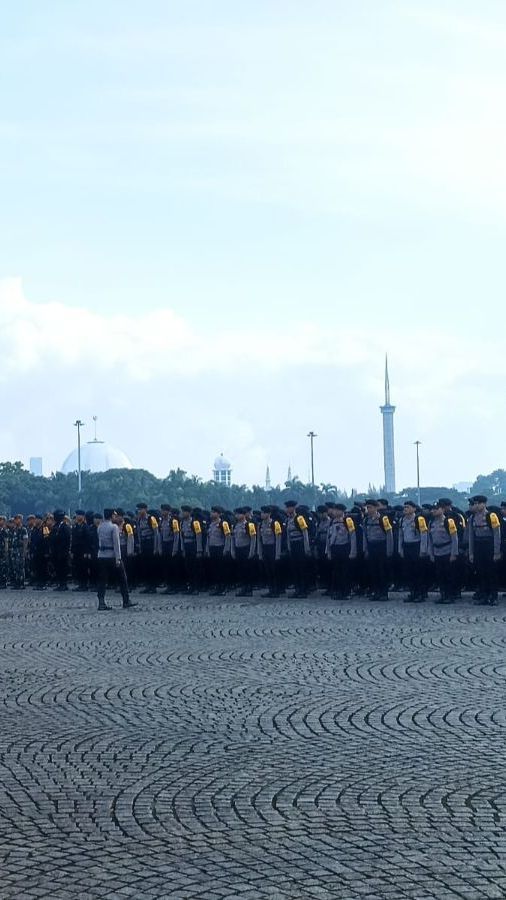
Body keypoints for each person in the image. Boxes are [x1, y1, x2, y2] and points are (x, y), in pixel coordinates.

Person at [96, 508, 134, 611]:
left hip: (102, 555)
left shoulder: (100, 526)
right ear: (112, 516)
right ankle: (126, 601)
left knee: (102, 580)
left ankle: (101, 602)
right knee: (122, 578)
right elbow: (116, 544)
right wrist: (118, 559)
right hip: (112, 556)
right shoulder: (114, 527)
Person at [467, 495, 502, 606]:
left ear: (484, 504)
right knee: (481, 572)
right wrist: (471, 552)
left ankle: (493, 596)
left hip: (489, 545)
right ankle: (484, 596)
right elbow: (471, 537)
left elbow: (497, 535)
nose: (476, 506)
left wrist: (496, 551)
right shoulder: (472, 518)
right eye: (475, 503)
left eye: (478, 503)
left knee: (491, 572)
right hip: (478, 546)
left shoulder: (491, 516)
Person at [362, 499, 394, 601]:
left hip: (382, 546)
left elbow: (389, 534)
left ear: (376, 508)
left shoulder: (383, 519)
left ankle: (384, 593)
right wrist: (365, 549)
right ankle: (376, 592)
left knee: (382, 571)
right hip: (372, 547)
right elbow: (365, 536)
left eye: (370, 507)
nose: (368, 509)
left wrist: (389, 549)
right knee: (373, 571)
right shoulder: (366, 520)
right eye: (367, 507)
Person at [398, 501, 429, 602]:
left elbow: (424, 535)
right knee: (409, 572)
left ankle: (421, 593)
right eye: (404, 507)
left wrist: (423, 549)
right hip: (407, 546)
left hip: (417, 546)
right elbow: (400, 536)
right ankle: (413, 592)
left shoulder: (419, 520)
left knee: (418, 571)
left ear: (414, 509)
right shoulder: (402, 520)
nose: (405, 509)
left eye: (408, 507)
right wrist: (400, 549)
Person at [428, 501, 458, 604]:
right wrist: (431, 553)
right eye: (433, 509)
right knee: (440, 575)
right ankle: (443, 595)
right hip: (437, 552)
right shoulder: (431, 523)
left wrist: (454, 553)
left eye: (436, 509)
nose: (433, 511)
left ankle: (450, 595)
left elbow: (454, 538)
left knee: (448, 575)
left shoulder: (449, 521)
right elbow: (430, 540)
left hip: (447, 551)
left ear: (442, 510)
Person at [326, 503, 357, 600]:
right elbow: (328, 538)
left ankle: (346, 592)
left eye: (336, 510)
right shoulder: (332, 522)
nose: (334, 512)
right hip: (335, 548)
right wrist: (328, 551)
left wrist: (353, 551)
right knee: (336, 572)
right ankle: (338, 591)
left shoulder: (348, 521)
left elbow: (352, 536)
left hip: (345, 548)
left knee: (345, 572)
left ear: (341, 511)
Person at [284, 501, 311, 598]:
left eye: (289, 507)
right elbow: (287, 535)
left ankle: (303, 590)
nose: (287, 509)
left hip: (300, 545)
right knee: (295, 569)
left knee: (301, 568)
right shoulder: (288, 520)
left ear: (293, 508)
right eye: (287, 508)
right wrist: (289, 547)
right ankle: (297, 589)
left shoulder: (299, 519)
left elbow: (305, 533)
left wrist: (306, 547)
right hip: (293, 545)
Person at [257, 506, 282, 598]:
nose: (262, 514)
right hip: (265, 549)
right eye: (261, 513)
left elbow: (278, 539)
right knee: (268, 571)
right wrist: (260, 553)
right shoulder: (260, 525)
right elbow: (259, 540)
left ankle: (276, 590)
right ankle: (271, 590)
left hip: (273, 549)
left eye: (264, 513)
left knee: (274, 571)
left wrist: (278, 553)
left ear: (269, 514)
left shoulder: (275, 524)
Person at [206, 506, 231, 596]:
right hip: (212, 548)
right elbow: (208, 538)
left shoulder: (223, 524)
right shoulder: (210, 524)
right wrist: (207, 549)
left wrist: (226, 549)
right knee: (214, 569)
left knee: (221, 570)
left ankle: (223, 588)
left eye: (214, 512)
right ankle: (217, 587)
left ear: (219, 514)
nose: (211, 513)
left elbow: (228, 537)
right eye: (211, 512)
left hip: (220, 548)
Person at [231, 507, 257, 597]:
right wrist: (232, 551)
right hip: (238, 549)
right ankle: (243, 588)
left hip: (246, 549)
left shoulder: (249, 525)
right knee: (241, 570)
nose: (237, 516)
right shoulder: (234, 525)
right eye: (236, 514)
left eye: (239, 514)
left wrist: (251, 551)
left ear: (244, 515)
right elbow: (233, 539)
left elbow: (253, 539)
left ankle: (248, 589)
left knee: (248, 571)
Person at [135, 502, 160, 593]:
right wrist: (140, 546)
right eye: (138, 509)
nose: (139, 511)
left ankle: (153, 586)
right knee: (145, 566)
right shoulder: (139, 520)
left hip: (151, 542)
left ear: (145, 509)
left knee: (152, 566)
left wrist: (156, 548)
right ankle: (148, 585)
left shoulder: (151, 518)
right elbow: (138, 533)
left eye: (141, 509)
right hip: (144, 543)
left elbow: (156, 533)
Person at [179, 505, 203, 595]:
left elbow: (198, 536)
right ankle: (191, 587)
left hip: (193, 545)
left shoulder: (195, 522)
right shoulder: (182, 523)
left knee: (195, 568)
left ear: (189, 512)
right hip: (186, 545)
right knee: (188, 567)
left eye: (184, 511)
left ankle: (196, 587)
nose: (183, 513)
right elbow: (182, 536)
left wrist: (199, 550)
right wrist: (182, 549)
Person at [159, 504, 180, 594]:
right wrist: (160, 548)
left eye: (164, 510)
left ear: (168, 511)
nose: (162, 512)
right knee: (166, 567)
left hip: (171, 545)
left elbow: (176, 535)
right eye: (162, 510)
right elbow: (160, 535)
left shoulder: (173, 521)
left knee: (173, 567)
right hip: (164, 545)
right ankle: (169, 586)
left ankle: (174, 587)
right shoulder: (161, 521)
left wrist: (175, 549)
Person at [50, 510, 71, 591]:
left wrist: (65, 551)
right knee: (58, 568)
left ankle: (63, 584)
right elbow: (51, 537)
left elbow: (67, 539)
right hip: (55, 552)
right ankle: (60, 583)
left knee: (63, 568)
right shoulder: (55, 526)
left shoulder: (65, 527)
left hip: (63, 552)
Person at [71, 509, 91, 591]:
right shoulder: (75, 526)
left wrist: (87, 552)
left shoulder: (85, 527)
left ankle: (84, 585)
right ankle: (80, 584)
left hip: (83, 551)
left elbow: (88, 540)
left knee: (83, 568)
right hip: (76, 551)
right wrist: (72, 551)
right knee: (78, 568)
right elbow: (73, 540)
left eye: (79, 515)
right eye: (77, 515)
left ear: (83, 516)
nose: (77, 517)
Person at [10, 514, 28, 589]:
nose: (15, 520)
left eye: (17, 519)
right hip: (15, 551)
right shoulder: (15, 529)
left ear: (20, 519)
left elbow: (25, 541)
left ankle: (21, 583)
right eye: (15, 519)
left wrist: (24, 552)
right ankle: (17, 582)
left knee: (20, 567)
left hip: (20, 551)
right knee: (15, 567)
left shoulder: (23, 529)